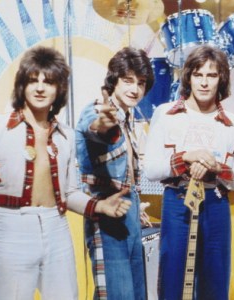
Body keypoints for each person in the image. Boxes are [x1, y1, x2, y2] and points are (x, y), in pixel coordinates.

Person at [0, 46, 131, 300]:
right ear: (22, 85)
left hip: (56, 228)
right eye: (33, 80)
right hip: (14, 227)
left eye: (49, 81)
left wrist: (100, 206)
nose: (40, 88)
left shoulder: (66, 136)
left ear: (59, 89)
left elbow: (69, 193)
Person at [144, 45, 234, 300]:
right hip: (177, 201)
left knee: (215, 279)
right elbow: (151, 169)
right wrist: (187, 157)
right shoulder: (166, 114)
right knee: (173, 279)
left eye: (211, 75)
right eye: (198, 74)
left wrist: (215, 167)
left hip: (215, 203)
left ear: (221, 79)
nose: (204, 82)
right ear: (188, 76)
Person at [75, 46, 154, 299]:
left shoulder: (128, 118)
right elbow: (95, 126)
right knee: (116, 295)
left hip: (128, 212)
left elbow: (126, 173)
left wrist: (135, 206)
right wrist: (104, 123)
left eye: (140, 83)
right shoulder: (99, 109)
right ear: (114, 81)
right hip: (106, 217)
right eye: (127, 80)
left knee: (136, 294)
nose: (135, 89)